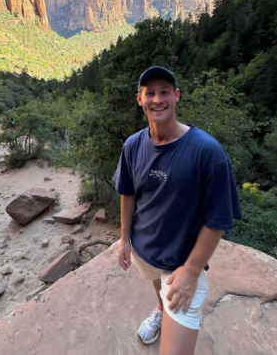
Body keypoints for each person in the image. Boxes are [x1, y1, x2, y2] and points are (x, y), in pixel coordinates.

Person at [115, 66, 241, 353]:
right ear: (139, 99)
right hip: (144, 251)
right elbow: (128, 192)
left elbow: (217, 219)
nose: (157, 99)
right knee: (156, 283)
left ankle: (170, 305)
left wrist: (192, 271)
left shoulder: (207, 152)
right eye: (150, 93)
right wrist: (125, 239)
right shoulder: (133, 145)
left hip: (181, 266)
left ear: (177, 96)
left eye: (164, 92)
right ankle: (161, 308)